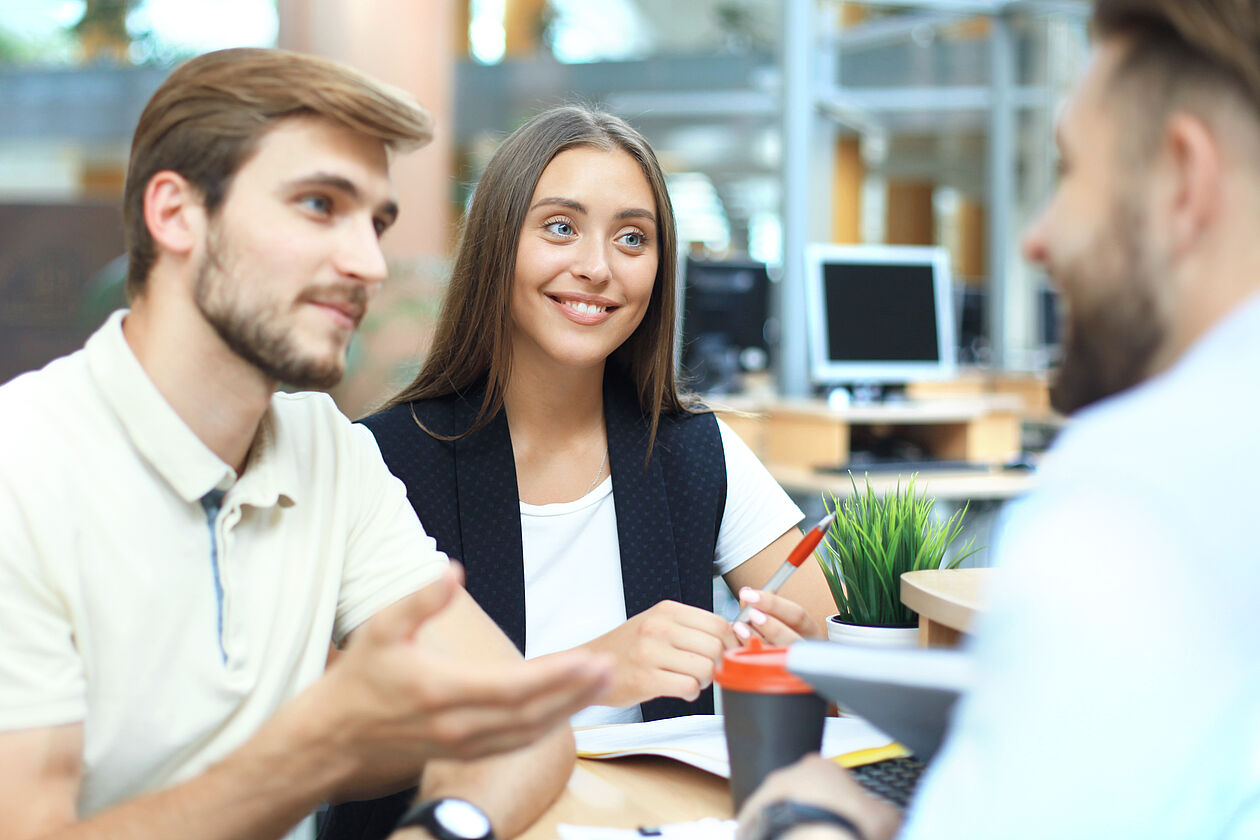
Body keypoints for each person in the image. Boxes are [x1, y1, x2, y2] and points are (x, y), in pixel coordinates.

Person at [0, 48, 613, 840]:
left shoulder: (329, 451)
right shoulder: (22, 464)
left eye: (377, 222)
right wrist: (312, 750)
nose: (368, 264)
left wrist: (438, 830)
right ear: (176, 212)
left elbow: (519, 726)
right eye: (321, 205)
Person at [735, 1, 1260, 838]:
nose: (1036, 241)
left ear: (1183, 179)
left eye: (1069, 169)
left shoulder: (1135, 496)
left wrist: (813, 823)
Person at [322, 104, 837, 839]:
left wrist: (800, 659)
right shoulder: (381, 462)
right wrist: (595, 669)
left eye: (633, 238)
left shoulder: (696, 449)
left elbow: (827, 652)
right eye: (561, 227)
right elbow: (341, 743)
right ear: (498, 245)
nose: (598, 266)